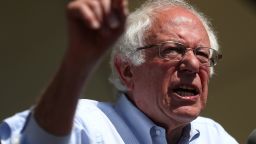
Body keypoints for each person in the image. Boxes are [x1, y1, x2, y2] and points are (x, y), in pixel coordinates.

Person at [0, 0, 238, 143]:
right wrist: (78, 61)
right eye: (173, 50)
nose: (194, 65)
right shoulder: (84, 123)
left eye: (202, 54)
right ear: (127, 71)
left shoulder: (214, 137)